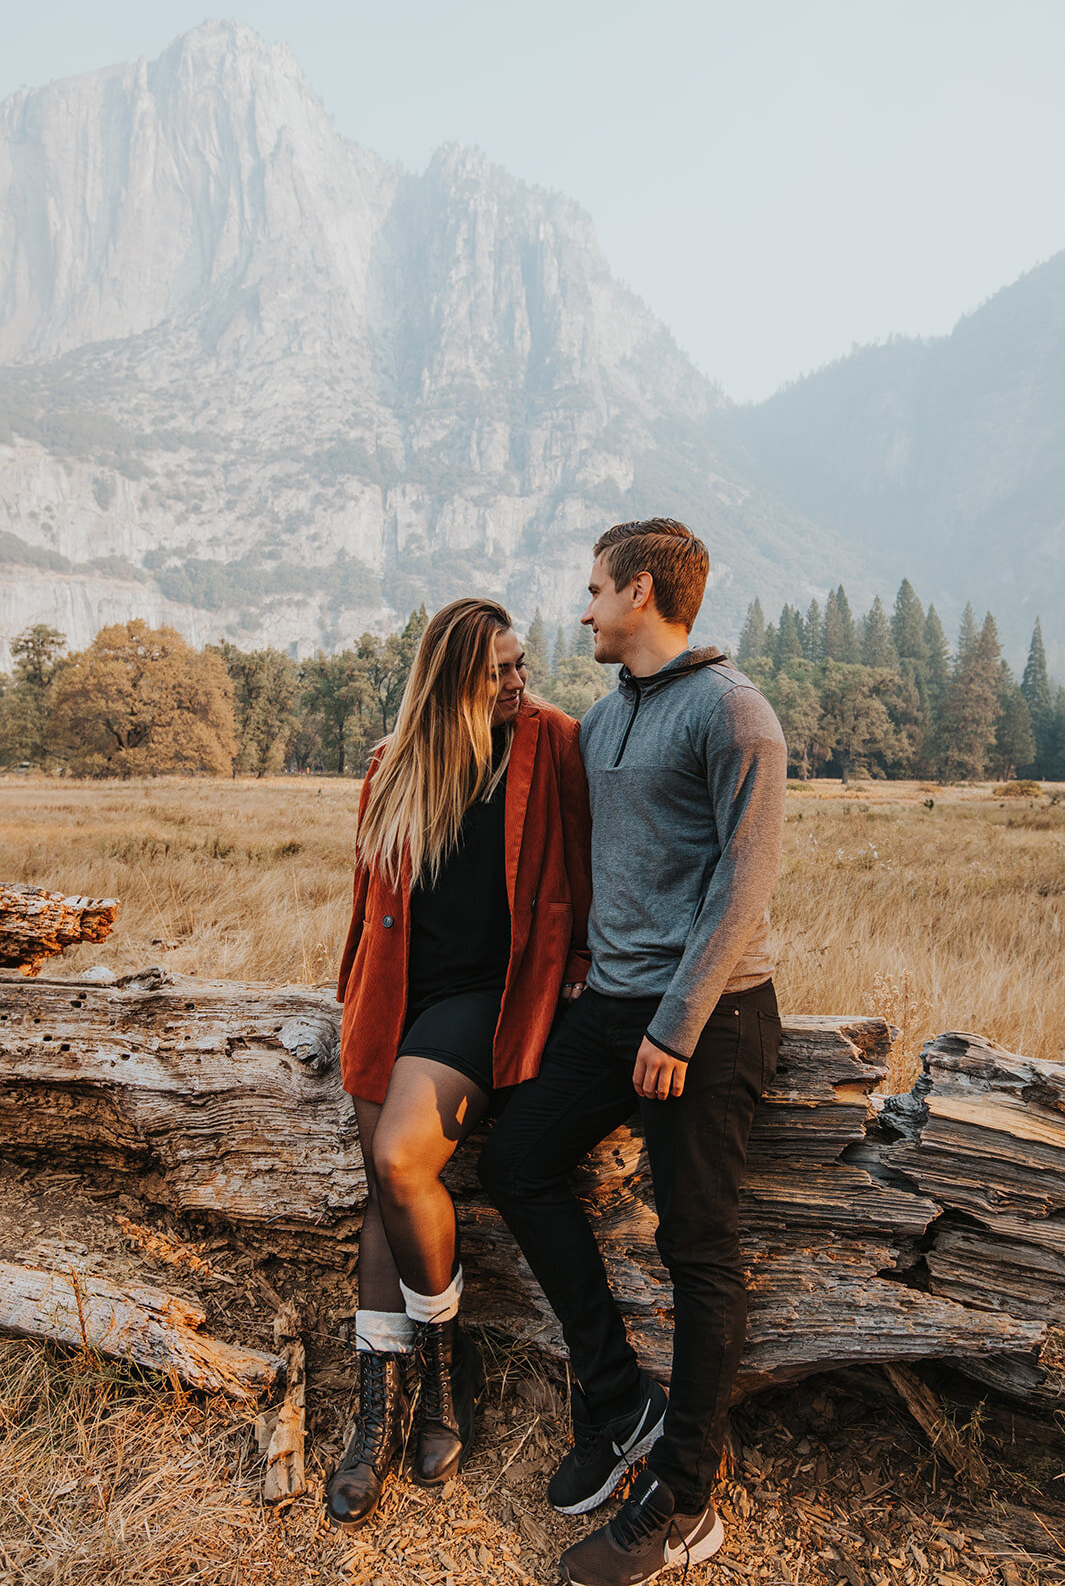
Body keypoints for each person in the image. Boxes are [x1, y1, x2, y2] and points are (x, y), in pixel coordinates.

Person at [478, 520, 787, 1586]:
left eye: (595, 589)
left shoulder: (736, 714)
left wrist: (679, 1021)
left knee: (699, 1246)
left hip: (707, 1020)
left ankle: (685, 1497)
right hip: (611, 1008)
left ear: (641, 592)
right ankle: (622, 1403)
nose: (583, 608)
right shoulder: (607, 717)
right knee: (514, 1163)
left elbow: (744, 888)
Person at [324, 597, 592, 1532]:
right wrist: (346, 998)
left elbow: (593, 862)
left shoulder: (552, 741)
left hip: (486, 996)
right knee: (382, 1197)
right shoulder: (393, 768)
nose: (519, 682)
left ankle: (442, 1374)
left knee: (400, 1160)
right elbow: (367, 903)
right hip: (392, 1000)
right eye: (499, 670)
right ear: (451, 680)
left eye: (521, 664)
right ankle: (375, 1418)